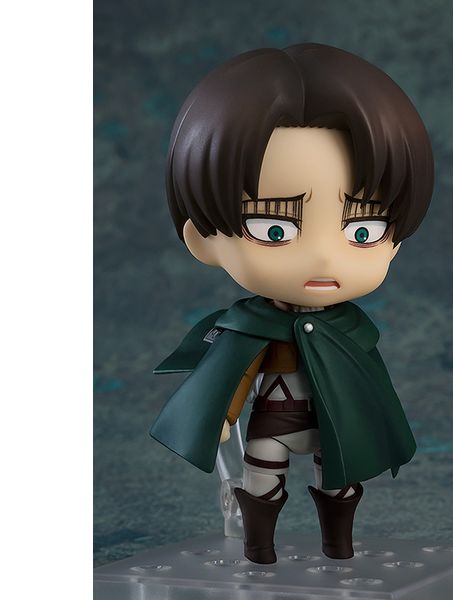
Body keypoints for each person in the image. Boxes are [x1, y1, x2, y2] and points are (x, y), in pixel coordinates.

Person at [151, 43, 434, 564]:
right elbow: (236, 373)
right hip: (273, 416)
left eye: (363, 229)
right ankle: (259, 549)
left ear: (396, 240)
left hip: (334, 422)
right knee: (261, 475)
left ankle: (339, 546)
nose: (324, 256)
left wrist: (375, 425)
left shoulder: (353, 329)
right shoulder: (249, 326)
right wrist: (223, 413)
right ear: (202, 240)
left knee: (338, 479)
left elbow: (372, 384)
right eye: (274, 228)